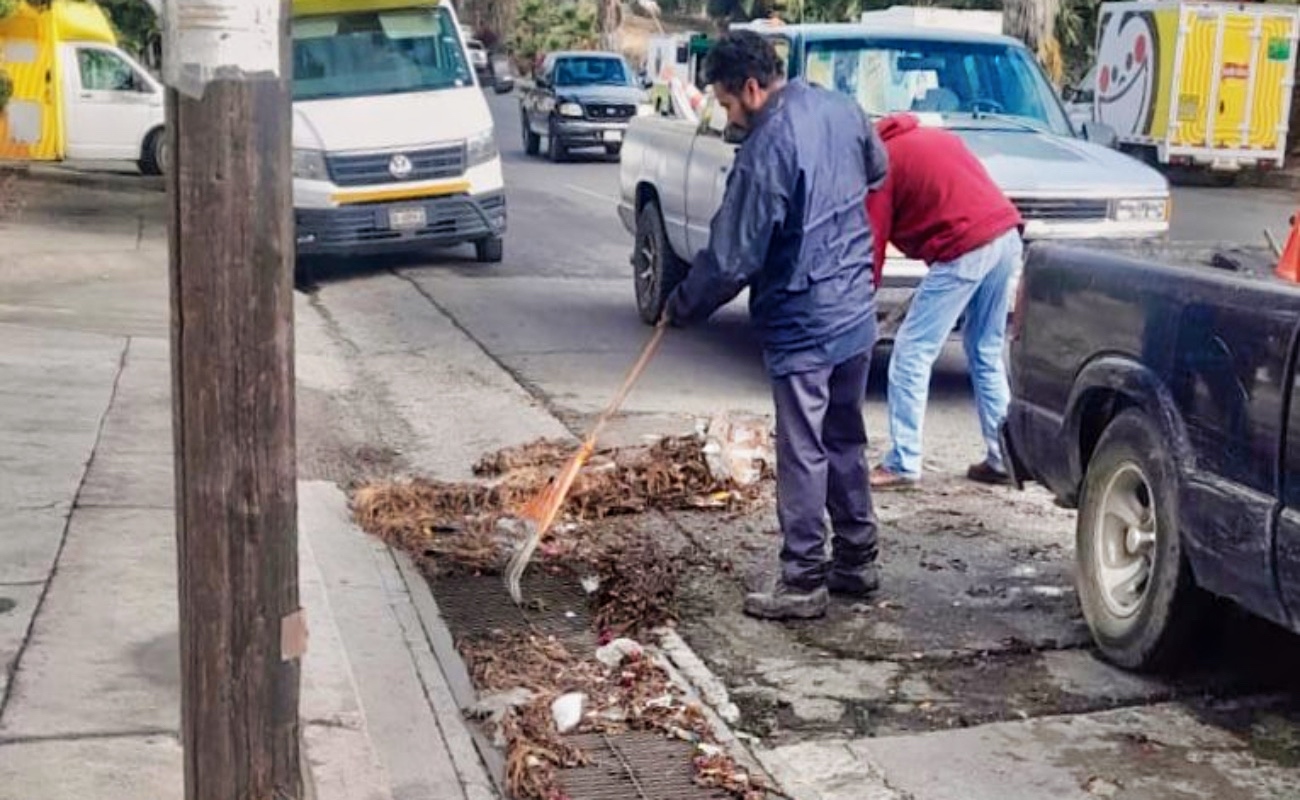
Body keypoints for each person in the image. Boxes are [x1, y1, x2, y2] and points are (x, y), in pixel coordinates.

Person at [663, 31, 889, 621]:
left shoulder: (767, 148)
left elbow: (731, 258)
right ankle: (857, 560)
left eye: (726, 103)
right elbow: (878, 169)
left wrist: (680, 306)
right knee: (843, 437)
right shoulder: (841, 107)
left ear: (752, 88)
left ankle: (804, 580)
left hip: (804, 316)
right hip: (854, 306)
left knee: (803, 449)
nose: (726, 117)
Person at [865, 113, 1024, 489]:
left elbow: (871, 245)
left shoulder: (879, 165)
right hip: (1006, 236)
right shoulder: (934, 137)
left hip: (965, 248)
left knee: (911, 351)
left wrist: (860, 300)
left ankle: (903, 462)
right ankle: (1004, 458)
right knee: (984, 349)